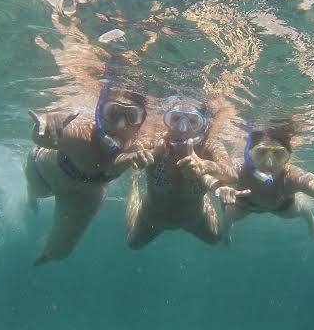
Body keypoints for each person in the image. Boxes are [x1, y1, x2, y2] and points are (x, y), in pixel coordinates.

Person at [25, 84, 152, 264]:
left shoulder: (142, 143)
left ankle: (44, 255)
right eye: (112, 112)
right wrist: (48, 125)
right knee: (39, 192)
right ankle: (31, 197)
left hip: (85, 194)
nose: (120, 125)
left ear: (141, 122)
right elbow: (41, 137)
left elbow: (112, 166)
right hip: (44, 169)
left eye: (132, 116)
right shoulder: (82, 134)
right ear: (98, 113)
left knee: (60, 252)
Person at [211, 124, 314, 242]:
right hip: (246, 204)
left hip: (282, 206)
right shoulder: (237, 169)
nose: (269, 163)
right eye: (261, 153)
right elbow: (211, 177)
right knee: (228, 217)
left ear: (288, 157)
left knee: (303, 210)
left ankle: (310, 221)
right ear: (249, 156)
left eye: (278, 154)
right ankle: (226, 233)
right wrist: (222, 188)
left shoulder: (291, 176)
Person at [126, 97, 236, 248]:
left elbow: (232, 173)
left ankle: (203, 191)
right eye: (176, 119)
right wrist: (137, 156)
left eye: (193, 121)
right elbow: (128, 153)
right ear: (167, 121)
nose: (182, 128)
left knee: (215, 239)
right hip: (151, 216)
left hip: (195, 218)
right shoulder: (156, 140)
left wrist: (204, 165)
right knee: (133, 244)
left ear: (203, 126)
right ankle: (134, 183)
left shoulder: (208, 146)